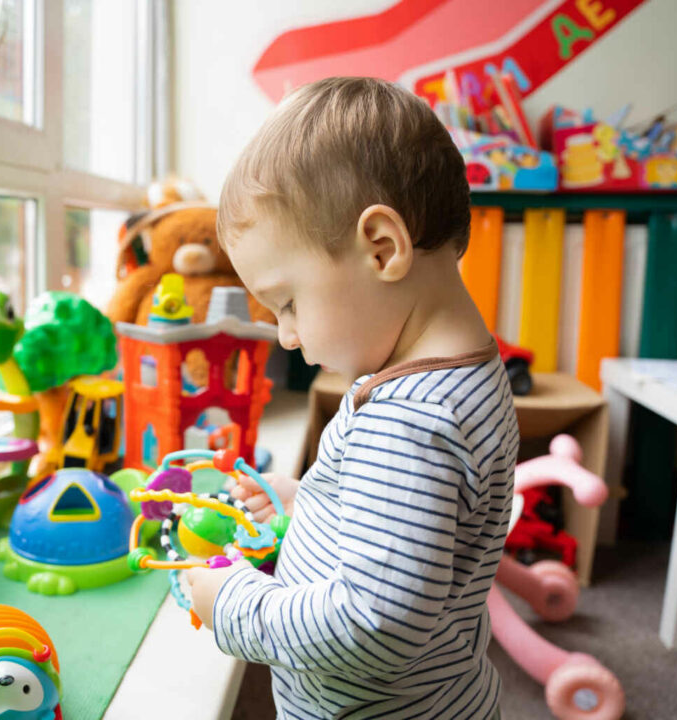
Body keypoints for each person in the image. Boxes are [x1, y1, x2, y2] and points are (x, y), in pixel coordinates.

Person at [186, 77, 516, 719]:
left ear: (382, 248)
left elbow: (372, 625)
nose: (285, 335)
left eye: (287, 302)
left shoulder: (410, 421)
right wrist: (308, 500)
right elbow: (412, 529)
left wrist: (231, 604)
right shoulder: (455, 376)